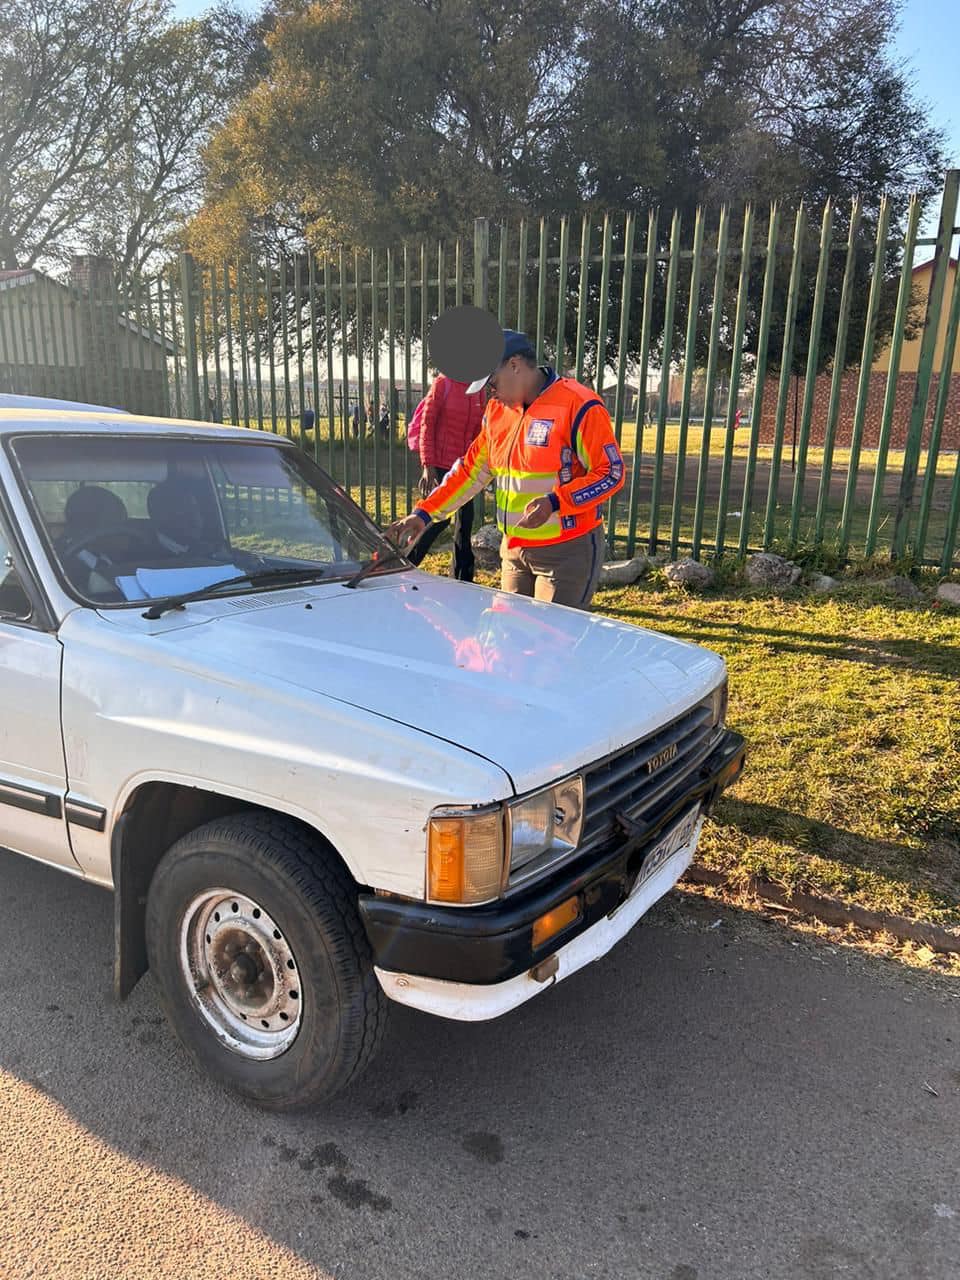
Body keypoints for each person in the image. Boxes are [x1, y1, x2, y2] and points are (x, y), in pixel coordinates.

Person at [387, 329, 625, 609]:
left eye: (492, 383)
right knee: (508, 642)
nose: (491, 394)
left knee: (553, 647)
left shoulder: (578, 405)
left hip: (566, 552)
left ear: (515, 365)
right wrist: (424, 514)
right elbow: (468, 472)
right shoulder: (496, 413)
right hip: (514, 549)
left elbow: (610, 473)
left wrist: (556, 502)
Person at [403, 370, 486, 581]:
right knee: (437, 520)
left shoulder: (479, 388)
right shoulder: (443, 383)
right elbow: (427, 425)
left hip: (465, 468)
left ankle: (463, 578)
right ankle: (405, 562)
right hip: (439, 463)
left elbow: (478, 430)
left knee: (465, 522)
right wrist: (427, 464)